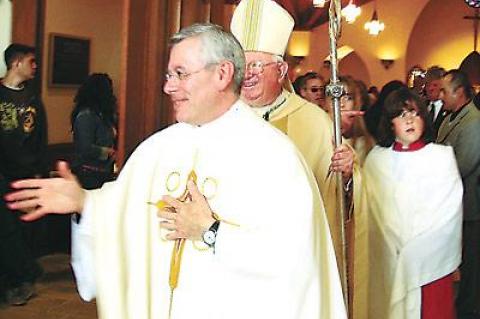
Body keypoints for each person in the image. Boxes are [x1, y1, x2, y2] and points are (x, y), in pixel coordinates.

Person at [6, 24, 346, 319]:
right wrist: (86, 203)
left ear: (223, 74)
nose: (168, 86)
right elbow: (124, 218)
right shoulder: (156, 150)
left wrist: (211, 232)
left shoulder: (274, 157)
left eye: (180, 74)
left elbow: (295, 261)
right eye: (169, 75)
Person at [230, 0, 357, 273]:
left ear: (282, 70)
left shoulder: (314, 123)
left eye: (258, 65)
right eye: (242, 64)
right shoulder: (218, 117)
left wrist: (348, 176)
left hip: (293, 262)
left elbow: (336, 200)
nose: (248, 73)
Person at [364, 87, 463, 319]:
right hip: (390, 258)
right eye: (401, 115)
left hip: (430, 262)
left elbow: (449, 211)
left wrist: (413, 252)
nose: (409, 120)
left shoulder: (441, 157)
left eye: (415, 113)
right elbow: (372, 211)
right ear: (390, 123)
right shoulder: (376, 160)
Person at [0, 43, 46, 306]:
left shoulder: (32, 98)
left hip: (26, 173)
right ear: (16, 63)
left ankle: (22, 279)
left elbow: (40, 136)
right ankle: (16, 278)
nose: (35, 66)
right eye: (31, 61)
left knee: (23, 228)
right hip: (2, 173)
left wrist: (40, 171)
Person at [437, 69, 480, 319]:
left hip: (470, 205)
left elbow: (464, 164)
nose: (441, 96)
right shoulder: (450, 117)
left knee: (472, 262)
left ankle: (468, 308)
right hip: (452, 203)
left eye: (445, 91)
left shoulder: (474, 122)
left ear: (459, 92)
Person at [71, 73, 117, 190]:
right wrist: (107, 152)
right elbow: (84, 147)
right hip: (89, 174)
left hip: (103, 172)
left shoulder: (102, 115)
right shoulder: (86, 115)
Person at [424, 66, 447, 138]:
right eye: (428, 85)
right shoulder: (421, 106)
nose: (430, 89)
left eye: (435, 85)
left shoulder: (448, 108)